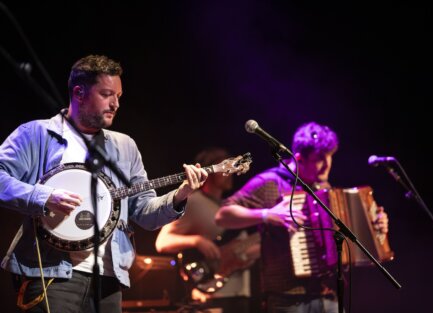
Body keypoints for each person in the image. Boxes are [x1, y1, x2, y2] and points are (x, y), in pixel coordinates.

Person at [0, 54, 208, 313]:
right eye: (107, 94)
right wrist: (43, 196)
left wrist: (179, 196)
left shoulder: (125, 146)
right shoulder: (37, 134)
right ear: (79, 93)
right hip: (52, 276)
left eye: (119, 96)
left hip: (109, 279)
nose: (115, 104)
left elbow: (144, 213)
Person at [214, 121, 389, 313]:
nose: (327, 166)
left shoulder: (323, 188)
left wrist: (374, 228)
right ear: (299, 158)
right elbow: (222, 216)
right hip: (287, 299)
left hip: (328, 295)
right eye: (320, 159)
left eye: (330, 157)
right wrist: (266, 214)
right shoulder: (270, 182)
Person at [156, 147, 260, 313]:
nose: (230, 172)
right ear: (210, 170)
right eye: (225, 167)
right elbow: (162, 242)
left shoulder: (231, 206)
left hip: (240, 293)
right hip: (210, 296)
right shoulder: (193, 202)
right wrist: (196, 241)